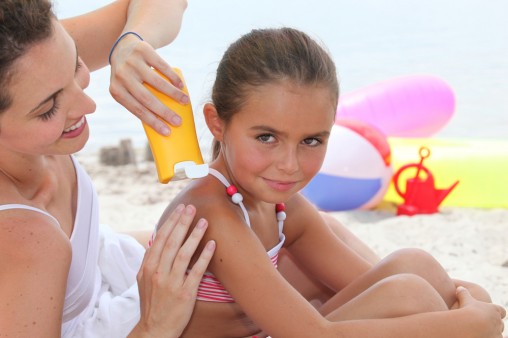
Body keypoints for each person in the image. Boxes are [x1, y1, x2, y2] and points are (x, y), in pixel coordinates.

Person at [154, 27, 506, 337]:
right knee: (428, 303)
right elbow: (313, 334)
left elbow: (373, 281)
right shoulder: (212, 212)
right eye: (266, 137)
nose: (289, 166)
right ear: (217, 123)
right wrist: (465, 324)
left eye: (311, 141)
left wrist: (466, 304)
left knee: (417, 268)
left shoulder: (279, 205)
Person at [0, 0, 216, 337]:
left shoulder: (31, 56)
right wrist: (155, 327)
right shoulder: (23, 241)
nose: (88, 104)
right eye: (48, 109)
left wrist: (132, 41)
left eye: (77, 66)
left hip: (110, 269)